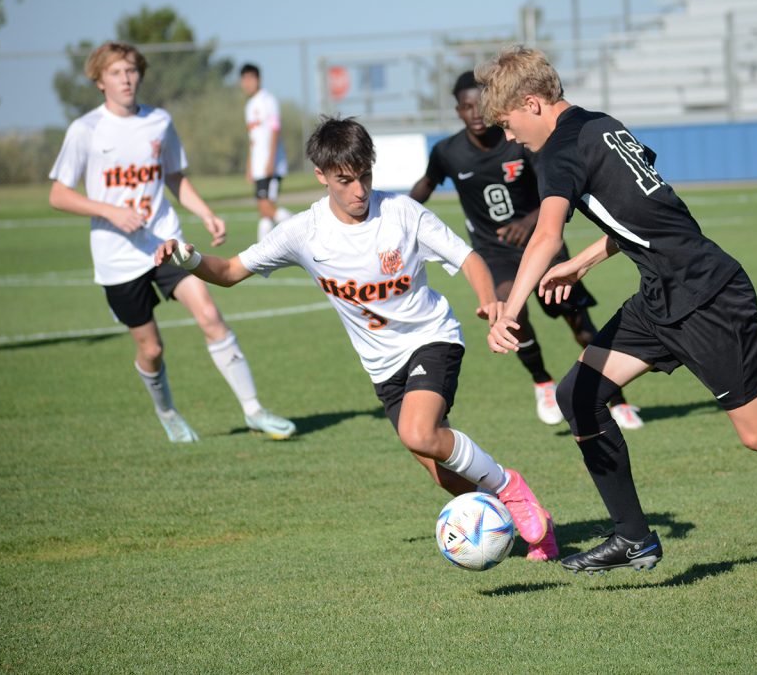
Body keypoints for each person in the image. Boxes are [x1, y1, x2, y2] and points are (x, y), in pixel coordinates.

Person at [477, 46, 757, 581]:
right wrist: (584, 262)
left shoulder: (557, 151)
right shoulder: (601, 125)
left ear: (532, 103)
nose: (509, 137)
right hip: (661, 296)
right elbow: (645, 209)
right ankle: (632, 536)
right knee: (579, 394)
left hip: (707, 296)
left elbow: (545, 233)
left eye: (508, 124)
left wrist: (510, 309)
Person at [154, 116, 559, 561]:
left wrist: (488, 301)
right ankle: (533, 529)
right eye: (345, 180)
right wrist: (187, 258)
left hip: (431, 338)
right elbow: (230, 272)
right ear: (321, 176)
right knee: (439, 470)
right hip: (382, 367)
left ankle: (511, 488)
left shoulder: (402, 213)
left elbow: (468, 258)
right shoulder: (303, 233)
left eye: (365, 176)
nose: (359, 190)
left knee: (419, 432)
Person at [48, 41, 295, 443]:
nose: (126, 79)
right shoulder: (85, 131)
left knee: (210, 315)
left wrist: (205, 212)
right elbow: (59, 194)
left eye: (131, 71)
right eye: (116, 73)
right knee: (153, 350)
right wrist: (109, 211)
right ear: (99, 80)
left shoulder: (159, 121)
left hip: (164, 240)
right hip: (116, 258)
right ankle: (167, 411)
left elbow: (175, 178)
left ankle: (254, 410)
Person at [410, 71, 643, 430]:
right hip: (494, 252)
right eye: (466, 107)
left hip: (542, 244)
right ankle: (542, 382)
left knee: (577, 320)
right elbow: (426, 185)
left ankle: (616, 398)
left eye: (480, 106)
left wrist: (529, 221)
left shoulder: (518, 140)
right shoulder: (447, 152)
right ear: (458, 110)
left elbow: (554, 188)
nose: (474, 113)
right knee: (507, 311)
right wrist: (398, 214)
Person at [240, 63, 293, 241]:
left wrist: (271, 160)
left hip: (271, 165)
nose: (246, 83)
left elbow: (275, 129)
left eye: (249, 79)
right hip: (258, 166)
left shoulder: (268, 101)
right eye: (243, 80)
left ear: (258, 79)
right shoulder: (249, 106)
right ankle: (263, 256)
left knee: (266, 207)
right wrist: (249, 165)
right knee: (264, 212)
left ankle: (301, 227)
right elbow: (252, 139)